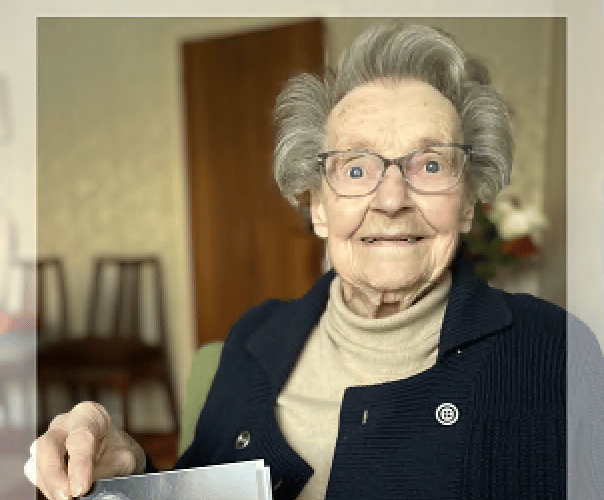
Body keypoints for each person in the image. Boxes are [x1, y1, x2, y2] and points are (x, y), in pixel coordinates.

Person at [26, 23, 603, 500]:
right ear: (317, 207)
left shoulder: (556, 353)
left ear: (470, 202)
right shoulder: (254, 338)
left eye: (430, 164)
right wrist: (125, 474)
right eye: (356, 169)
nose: (392, 197)